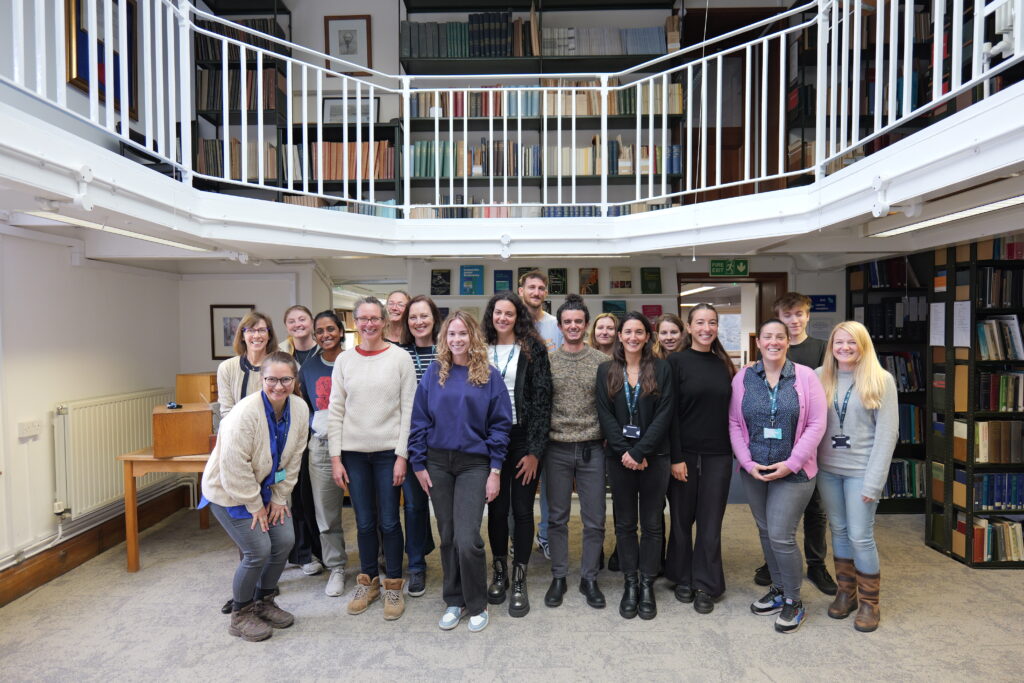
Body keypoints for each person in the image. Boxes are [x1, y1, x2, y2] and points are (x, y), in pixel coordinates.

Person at [409, 311, 513, 633]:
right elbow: (419, 420)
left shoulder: (489, 376)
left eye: (462, 334)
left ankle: (477, 603)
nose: (456, 339)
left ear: (473, 337)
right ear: (445, 338)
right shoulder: (434, 374)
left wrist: (495, 470)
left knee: (468, 539)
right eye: (451, 334)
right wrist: (418, 462)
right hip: (438, 462)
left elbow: (500, 426)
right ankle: (454, 600)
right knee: (448, 536)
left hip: (473, 464)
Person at [199, 351, 310, 642]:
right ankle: (241, 612)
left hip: (267, 490)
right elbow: (233, 469)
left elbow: (293, 459)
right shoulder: (244, 414)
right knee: (257, 550)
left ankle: (264, 601)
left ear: (294, 380)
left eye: (285, 379)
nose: (278, 386)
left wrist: (279, 498)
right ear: (262, 379)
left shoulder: (299, 408)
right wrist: (255, 506)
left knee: (285, 540)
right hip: (229, 491)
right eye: (271, 379)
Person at [729, 318, 827, 634]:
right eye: (767, 337)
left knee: (781, 535)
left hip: (794, 472)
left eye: (780, 337)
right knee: (765, 531)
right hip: (755, 470)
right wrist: (746, 462)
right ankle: (779, 590)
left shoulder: (806, 376)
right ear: (759, 342)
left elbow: (816, 424)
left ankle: (794, 601)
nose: (773, 342)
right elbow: (733, 422)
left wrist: (793, 462)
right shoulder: (744, 377)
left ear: (788, 342)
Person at [327, 296, 417, 620]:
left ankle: (393, 584)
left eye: (374, 318)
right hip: (353, 453)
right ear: (355, 322)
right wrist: (335, 458)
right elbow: (335, 410)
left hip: (388, 453)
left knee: (390, 520)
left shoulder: (400, 358)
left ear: (384, 321)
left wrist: (402, 455)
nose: (369, 324)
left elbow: (409, 410)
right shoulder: (344, 361)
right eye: (362, 319)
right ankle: (368, 580)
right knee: (364, 522)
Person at [751, 292, 837, 596]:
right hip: (772, 447)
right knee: (772, 513)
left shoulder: (821, 350)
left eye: (799, 314)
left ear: (808, 316)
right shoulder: (766, 355)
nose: (794, 320)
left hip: (810, 447)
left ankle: (816, 563)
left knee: (816, 509)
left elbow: (826, 399)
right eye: (788, 316)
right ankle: (771, 562)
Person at [815, 321, 898, 632]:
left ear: (863, 346)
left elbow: (887, 434)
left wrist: (875, 481)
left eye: (852, 343)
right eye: (839, 343)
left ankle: (869, 602)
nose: (845, 348)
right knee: (837, 529)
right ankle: (846, 592)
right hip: (827, 469)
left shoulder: (881, 380)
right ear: (831, 347)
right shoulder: (818, 376)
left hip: (862, 471)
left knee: (860, 535)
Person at [596, 312, 674, 620]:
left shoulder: (662, 368)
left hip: (655, 458)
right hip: (619, 460)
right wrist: (626, 452)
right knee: (625, 524)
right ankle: (630, 582)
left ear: (647, 336)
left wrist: (640, 451)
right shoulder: (606, 370)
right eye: (627, 331)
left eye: (638, 332)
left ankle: (646, 584)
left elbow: (665, 413)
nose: (632, 337)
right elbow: (605, 415)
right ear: (619, 335)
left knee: (653, 524)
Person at [482, 291, 552, 617]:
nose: (503, 318)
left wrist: (536, 451)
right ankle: (500, 572)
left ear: (518, 316)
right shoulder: (478, 348)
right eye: (498, 312)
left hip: (524, 437)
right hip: (489, 438)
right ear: (491, 315)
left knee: (522, 510)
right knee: (496, 509)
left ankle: (520, 578)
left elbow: (542, 402)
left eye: (509, 313)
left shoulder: (533, 348)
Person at [665, 304, 736, 615]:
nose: (707, 328)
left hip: (719, 455)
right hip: (684, 455)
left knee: (710, 521)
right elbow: (670, 415)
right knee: (681, 519)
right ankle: (681, 576)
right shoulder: (675, 362)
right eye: (700, 323)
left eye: (712, 323)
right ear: (689, 328)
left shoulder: (725, 364)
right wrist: (676, 457)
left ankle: (706, 583)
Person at [544, 294, 608, 610]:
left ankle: (589, 578)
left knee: (595, 519)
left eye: (578, 322)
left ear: (586, 325)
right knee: (556, 519)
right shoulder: (549, 361)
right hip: (555, 449)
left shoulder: (600, 361)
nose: (573, 326)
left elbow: (608, 407)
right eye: (567, 322)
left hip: (591, 449)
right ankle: (559, 576)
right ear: (560, 326)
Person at [297, 311, 349, 598]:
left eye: (331, 329)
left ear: (341, 331)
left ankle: (377, 563)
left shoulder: (353, 361)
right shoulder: (308, 367)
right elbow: (305, 407)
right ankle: (337, 567)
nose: (326, 334)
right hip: (322, 446)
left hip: (355, 443)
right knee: (326, 514)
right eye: (320, 331)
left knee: (371, 510)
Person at [397, 294, 442, 597]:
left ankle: (454, 563)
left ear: (434, 319)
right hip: (411, 438)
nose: (419, 322)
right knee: (413, 506)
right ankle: (416, 566)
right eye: (413, 317)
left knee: (445, 507)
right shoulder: (398, 354)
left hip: (444, 440)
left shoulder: (448, 350)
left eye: (424, 316)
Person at [517, 269, 560, 560]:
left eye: (541, 288)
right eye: (531, 287)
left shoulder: (555, 325)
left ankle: (545, 535)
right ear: (521, 290)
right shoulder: (511, 322)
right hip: (519, 417)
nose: (536, 292)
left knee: (550, 485)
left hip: (551, 413)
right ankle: (516, 537)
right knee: (518, 485)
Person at [282, 306, 325, 579]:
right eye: (292, 321)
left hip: (318, 432)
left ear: (311, 323)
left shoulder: (324, 352)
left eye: (302, 319)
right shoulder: (282, 355)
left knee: (316, 497)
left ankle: (323, 551)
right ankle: (302, 553)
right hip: (290, 432)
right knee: (295, 494)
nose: (298, 324)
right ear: (286, 326)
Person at [217, 310, 278, 417]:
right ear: (242, 336)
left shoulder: (281, 366)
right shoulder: (226, 368)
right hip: (237, 430)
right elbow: (226, 412)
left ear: (269, 335)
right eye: (250, 330)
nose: (256, 335)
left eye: (262, 330)